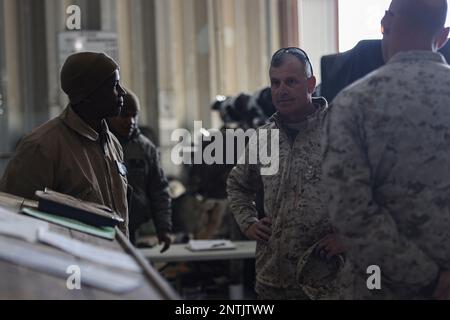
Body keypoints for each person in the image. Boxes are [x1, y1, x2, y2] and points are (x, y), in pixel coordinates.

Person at [322, 0, 450, 299]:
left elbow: (350, 213)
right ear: (443, 36)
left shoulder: (353, 104)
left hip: (381, 287)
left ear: (386, 22)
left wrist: (428, 279)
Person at [227, 47, 344, 300]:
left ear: (311, 84)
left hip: (327, 282)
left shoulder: (339, 132)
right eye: (275, 83)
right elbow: (238, 185)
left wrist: (348, 236)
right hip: (273, 280)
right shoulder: (263, 137)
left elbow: (373, 190)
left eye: (291, 81)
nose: (282, 90)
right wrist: (249, 222)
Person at [0, 52, 130, 236]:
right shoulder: (41, 147)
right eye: (113, 86)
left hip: (113, 260)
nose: (122, 92)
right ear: (88, 94)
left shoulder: (113, 144)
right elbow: (14, 220)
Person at [108, 90, 172, 252]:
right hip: (104, 225)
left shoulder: (146, 148)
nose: (131, 121)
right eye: (124, 115)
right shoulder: (99, 144)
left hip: (134, 225)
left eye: (134, 115)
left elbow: (159, 190)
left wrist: (163, 228)